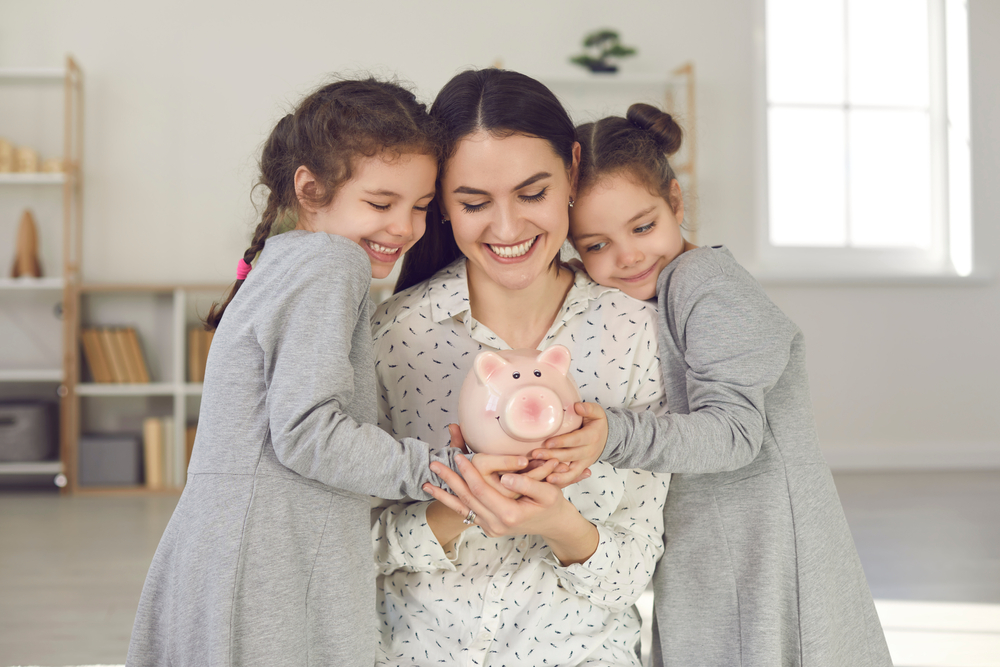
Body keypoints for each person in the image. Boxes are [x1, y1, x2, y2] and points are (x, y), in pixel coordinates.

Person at [125, 78, 529, 667]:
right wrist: (446, 472)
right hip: (268, 565)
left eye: (420, 207)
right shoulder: (330, 263)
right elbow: (309, 432)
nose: (405, 227)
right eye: (380, 203)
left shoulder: (287, 260)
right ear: (310, 189)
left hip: (235, 552)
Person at [538, 102, 893, 666]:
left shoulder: (706, 284)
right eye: (596, 244)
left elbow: (733, 434)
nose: (627, 256)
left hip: (763, 539)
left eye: (643, 226)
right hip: (714, 532)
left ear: (675, 203)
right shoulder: (656, 288)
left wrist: (613, 436)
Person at [370, 69, 670, 667]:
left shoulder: (638, 334)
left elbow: (635, 571)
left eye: (532, 194)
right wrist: (453, 506)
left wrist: (561, 524)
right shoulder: (392, 338)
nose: (507, 229)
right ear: (441, 202)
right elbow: (344, 547)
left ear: (572, 171)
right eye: (474, 202)